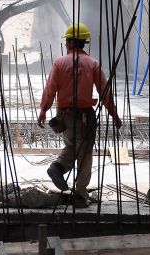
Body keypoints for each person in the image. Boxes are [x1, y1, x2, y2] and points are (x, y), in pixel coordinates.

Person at [37, 23, 121, 208]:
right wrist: (114, 114)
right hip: (85, 115)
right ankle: (81, 194)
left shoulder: (59, 63)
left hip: (64, 114)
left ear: (68, 42)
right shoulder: (93, 64)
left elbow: (50, 89)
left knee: (72, 145)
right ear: (84, 42)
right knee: (85, 153)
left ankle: (58, 167)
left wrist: (44, 109)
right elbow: (105, 92)